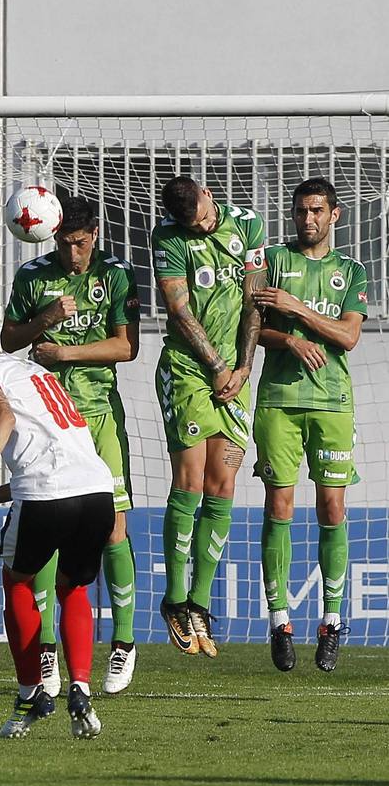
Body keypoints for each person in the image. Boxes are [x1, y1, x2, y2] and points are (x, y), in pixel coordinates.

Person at [0, 301, 115, 740]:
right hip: (97, 490)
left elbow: (2, 418)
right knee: (73, 588)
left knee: (19, 583)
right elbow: (49, 456)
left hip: (48, 496)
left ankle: (30, 695)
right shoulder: (35, 373)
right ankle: (80, 689)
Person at [0, 195, 141, 694]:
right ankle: (45, 656)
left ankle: (123, 643)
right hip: (49, 421)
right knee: (46, 529)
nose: (72, 253)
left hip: (98, 415)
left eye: (80, 244)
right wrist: (45, 320)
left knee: (114, 528)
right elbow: (10, 338)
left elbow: (127, 347)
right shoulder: (33, 276)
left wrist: (66, 350)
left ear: (95, 235)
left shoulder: (117, 273)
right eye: (64, 243)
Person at [254, 178, 366, 673]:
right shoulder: (274, 261)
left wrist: (298, 311)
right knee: (279, 503)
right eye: (300, 211)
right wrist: (291, 341)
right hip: (278, 399)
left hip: (332, 402)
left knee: (332, 506)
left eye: (317, 211)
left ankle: (332, 622)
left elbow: (348, 335)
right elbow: (252, 328)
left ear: (335, 215)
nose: (307, 219)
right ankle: (279, 621)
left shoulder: (352, 270)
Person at [152, 177, 266, 658]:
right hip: (188, 370)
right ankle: (174, 599)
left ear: (208, 195)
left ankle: (199, 602)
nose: (199, 228)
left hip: (232, 375)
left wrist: (242, 367)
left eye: (202, 219)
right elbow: (178, 310)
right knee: (191, 481)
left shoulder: (248, 226)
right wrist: (218, 367)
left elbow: (254, 299)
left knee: (224, 484)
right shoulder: (168, 237)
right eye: (190, 225)